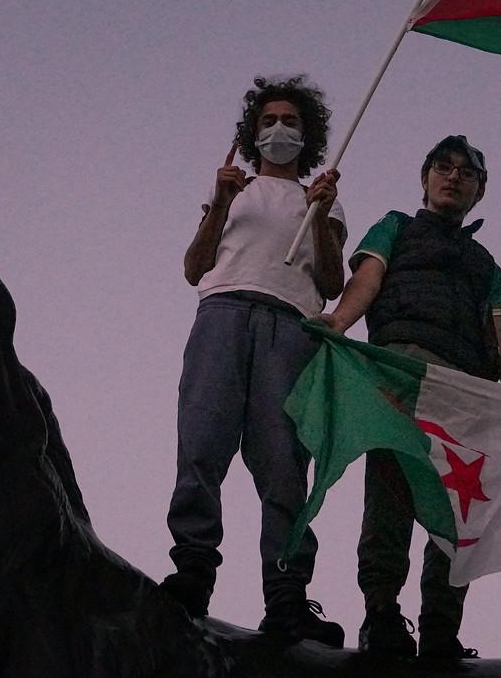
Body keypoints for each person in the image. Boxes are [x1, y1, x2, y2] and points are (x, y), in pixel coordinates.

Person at [315, 135, 501, 661]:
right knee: (391, 491)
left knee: (459, 505)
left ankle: (442, 626)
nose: (454, 177)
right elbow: (366, 281)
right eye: (444, 166)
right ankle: (381, 613)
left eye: (467, 172)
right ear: (426, 177)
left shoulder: (485, 263)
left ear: (479, 191)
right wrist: (338, 326)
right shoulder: (396, 227)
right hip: (402, 371)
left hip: (467, 390)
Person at [161, 75, 346, 646]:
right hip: (223, 310)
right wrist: (218, 201)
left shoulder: (319, 199)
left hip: (291, 323)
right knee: (202, 441)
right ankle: (194, 569)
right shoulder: (234, 193)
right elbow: (195, 267)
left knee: (285, 460)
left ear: (306, 135)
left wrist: (324, 215)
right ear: (252, 133)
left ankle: (287, 596)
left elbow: (334, 282)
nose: (279, 130)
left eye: (290, 121)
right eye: (268, 122)